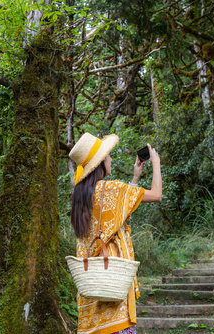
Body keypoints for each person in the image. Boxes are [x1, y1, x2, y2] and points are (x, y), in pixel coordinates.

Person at [69, 132, 162, 334]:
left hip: (91, 291)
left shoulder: (80, 195)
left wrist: (135, 178)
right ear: (101, 161)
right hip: (112, 284)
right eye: (108, 155)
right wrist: (155, 162)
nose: (110, 158)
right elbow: (156, 194)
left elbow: (116, 213)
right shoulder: (112, 189)